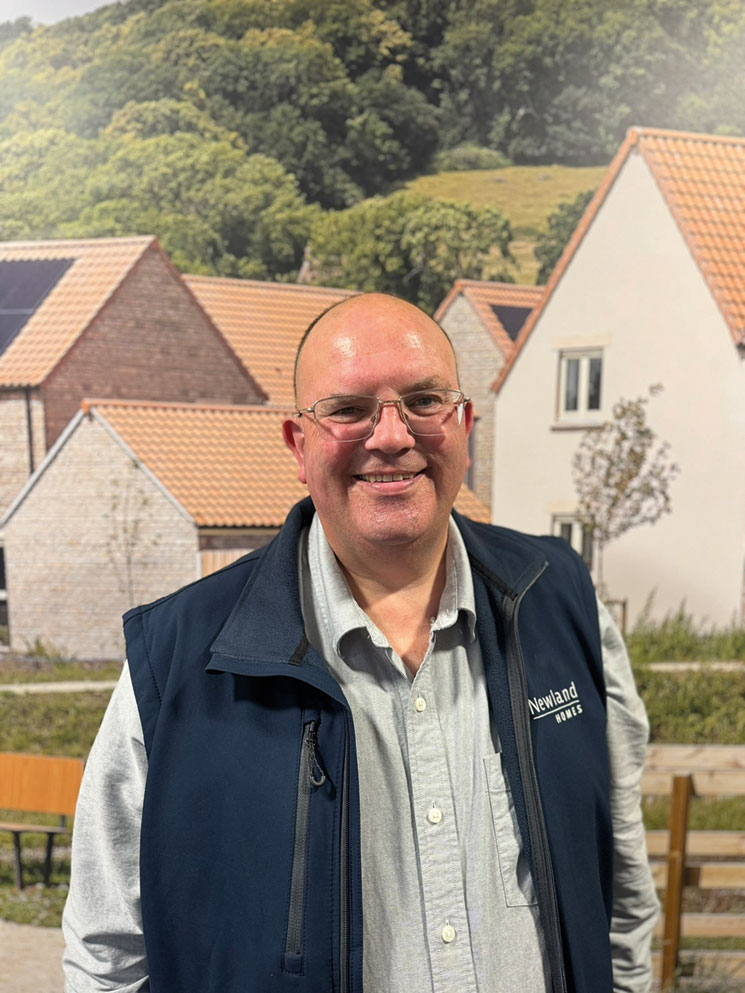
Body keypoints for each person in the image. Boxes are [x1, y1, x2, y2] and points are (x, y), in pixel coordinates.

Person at [62, 292, 658, 993]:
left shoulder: (562, 605)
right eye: (348, 409)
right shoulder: (175, 663)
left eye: (424, 400)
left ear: (463, 424)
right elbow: (107, 955)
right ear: (298, 444)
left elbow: (618, 880)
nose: (392, 436)